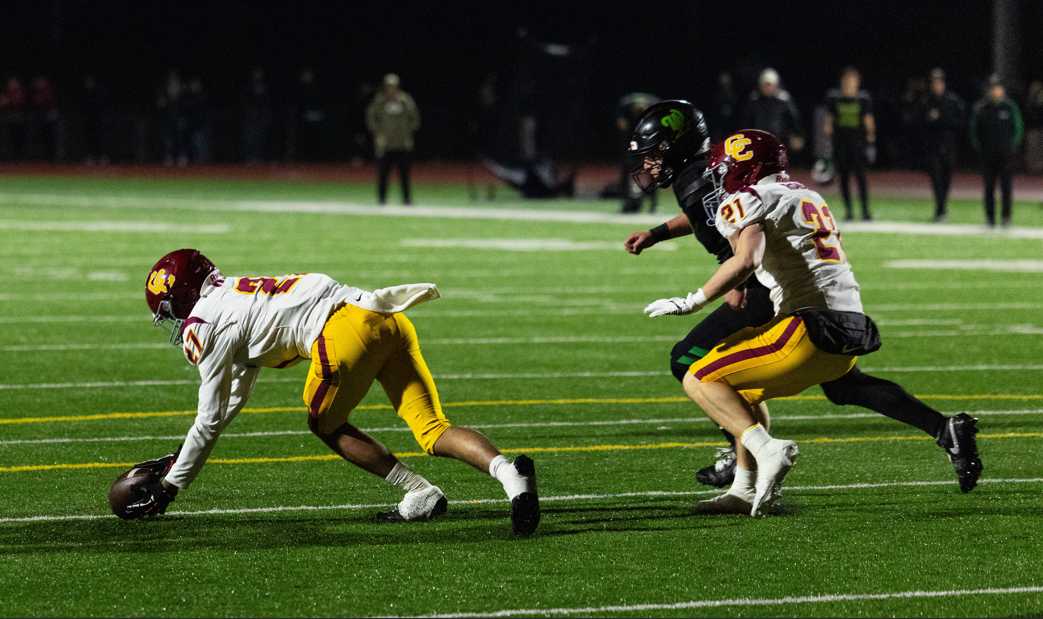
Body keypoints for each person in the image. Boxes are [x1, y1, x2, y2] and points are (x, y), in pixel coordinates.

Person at [623, 109, 981, 513]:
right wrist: (658, 234)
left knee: (697, 369)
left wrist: (700, 297)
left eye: (726, 170)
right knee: (842, 385)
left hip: (793, 314)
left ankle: (755, 449)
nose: (720, 177)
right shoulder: (806, 193)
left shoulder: (742, 194)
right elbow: (726, 221)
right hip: (848, 318)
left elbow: (744, 253)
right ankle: (940, 428)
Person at [124, 249, 540, 536]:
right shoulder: (233, 294)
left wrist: (171, 486)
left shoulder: (205, 322)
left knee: (323, 422)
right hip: (383, 315)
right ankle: (511, 478)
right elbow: (235, 394)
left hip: (342, 333)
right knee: (432, 429)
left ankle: (418, 490)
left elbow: (210, 416)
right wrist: (181, 460)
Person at [970, 75, 1023, 227]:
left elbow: (1018, 129)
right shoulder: (981, 108)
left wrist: (1011, 147)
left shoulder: (1010, 107)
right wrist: (981, 149)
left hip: (1006, 155)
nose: (995, 91)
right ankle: (990, 218)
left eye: (998, 88)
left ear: (1002, 90)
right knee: (988, 188)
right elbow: (974, 131)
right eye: (993, 88)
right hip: (987, 156)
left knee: (1006, 187)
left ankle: (1006, 217)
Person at [824, 67, 876, 221]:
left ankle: (865, 211)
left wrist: (871, 142)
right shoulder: (834, 98)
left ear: (857, 83)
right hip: (841, 145)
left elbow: (868, 121)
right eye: (847, 81)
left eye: (852, 81)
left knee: (861, 178)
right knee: (844, 178)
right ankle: (849, 211)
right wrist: (827, 144)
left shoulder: (863, 99)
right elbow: (828, 123)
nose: (849, 84)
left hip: (858, 145)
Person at [366, 73, 420, 205]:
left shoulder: (405, 100)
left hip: (402, 144)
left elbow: (415, 118)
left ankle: (407, 200)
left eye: (393, 86)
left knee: (404, 175)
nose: (391, 89)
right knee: (383, 174)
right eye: (389, 86)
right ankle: (382, 199)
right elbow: (371, 117)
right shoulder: (380, 101)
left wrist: (407, 134)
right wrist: (378, 134)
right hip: (385, 144)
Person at [920, 68, 966, 222]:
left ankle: (942, 208)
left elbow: (960, 122)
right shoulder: (926, 101)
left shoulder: (953, 101)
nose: (937, 85)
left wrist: (941, 120)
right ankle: (940, 210)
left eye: (939, 82)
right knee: (936, 179)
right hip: (932, 147)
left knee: (946, 179)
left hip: (949, 146)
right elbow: (919, 123)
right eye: (934, 82)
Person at [740, 68, 804, 157]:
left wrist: (797, 135)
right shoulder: (754, 99)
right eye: (765, 85)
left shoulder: (783, 100)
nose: (767, 88)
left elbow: (794, 119)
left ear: (776, 85)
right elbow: (746, 120)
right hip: (758, 140)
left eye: (769, 85)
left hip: (779, 140)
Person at [616, 92, 660, 213]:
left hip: (649, 141)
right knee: (627, 168)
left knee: (653, 171)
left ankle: (653, 203)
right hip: (634, 140)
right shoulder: (626, 106)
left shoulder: (655, 110)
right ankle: (627, 200)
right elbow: (622, 125)